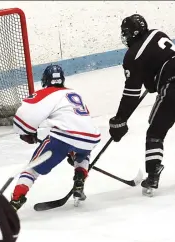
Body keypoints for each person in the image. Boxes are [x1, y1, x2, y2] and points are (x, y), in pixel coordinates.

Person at [10, 64, 101, 210]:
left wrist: (26, 131)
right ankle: (79, 181)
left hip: (64, 137)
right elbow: (80, 122)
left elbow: (24, 113)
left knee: (32, 168)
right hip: (91, 137)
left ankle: (16, 200)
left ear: (45, 80)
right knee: (83, 153)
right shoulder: (73, 92)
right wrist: (71, 150)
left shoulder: (47, 92)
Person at [108, 14, 175, 196]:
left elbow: (131, 93)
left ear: (133, 33)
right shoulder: (158, 34)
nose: (124, 36)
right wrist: (152, 80)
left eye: (126, 33)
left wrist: (120, 119)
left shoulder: (132, 55)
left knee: (155, 133)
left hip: (172, 86)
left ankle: (153, 175)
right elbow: (161, 62)